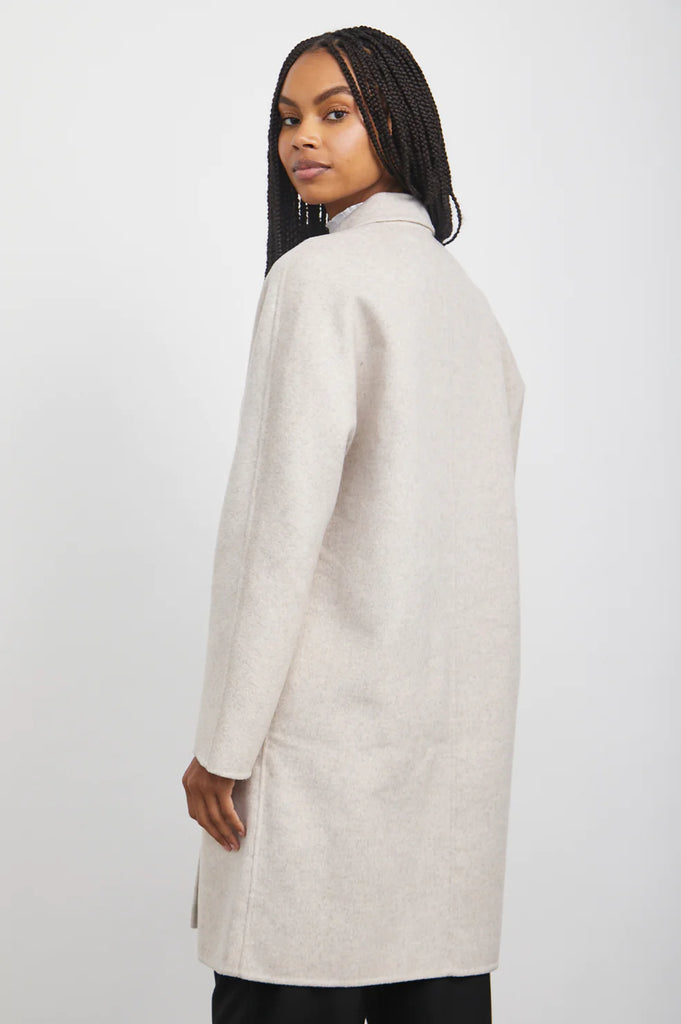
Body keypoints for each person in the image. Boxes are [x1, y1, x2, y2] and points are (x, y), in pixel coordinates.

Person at [182, 24, 525, 1024]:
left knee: (289, 982)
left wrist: (224, 746)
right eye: (289, 117)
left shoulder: (316, 281)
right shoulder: (467, 307)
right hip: (447, 777)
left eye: (336, 113)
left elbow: (274, 536)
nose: (303, 137)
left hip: (318, 766)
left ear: (397, 124)